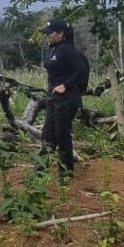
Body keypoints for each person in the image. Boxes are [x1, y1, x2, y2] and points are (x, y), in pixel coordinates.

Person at [40, 17, 88, 181]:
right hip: (54, 98)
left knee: (62, 135)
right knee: (47, 134)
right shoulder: (53, 48)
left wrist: (65, 85)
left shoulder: (67, 49)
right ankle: (40, 171)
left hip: (67, 98)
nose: (47, 36)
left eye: (50, 33)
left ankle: (66, 173)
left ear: (60, 34)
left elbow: (81, 70)